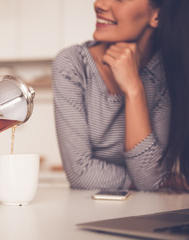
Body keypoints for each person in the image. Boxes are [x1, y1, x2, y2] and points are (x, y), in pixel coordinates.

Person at [52, 0, 189, 191]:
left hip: (146, 212)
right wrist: (141, 182)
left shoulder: (166, 73)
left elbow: (151, 178)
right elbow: (81, 173)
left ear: (157, 16)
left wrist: (134, 89)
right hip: (91, 207)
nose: (99, 4)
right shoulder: (72, 65)